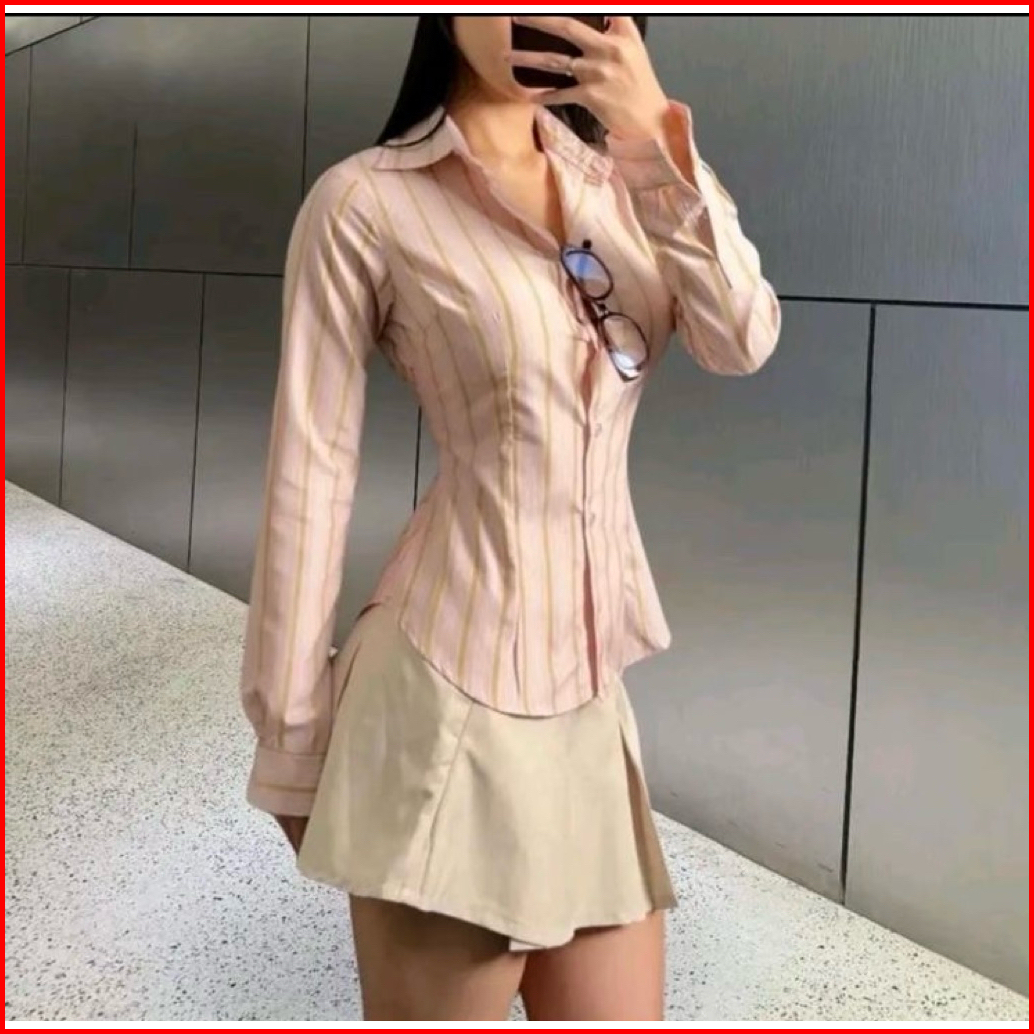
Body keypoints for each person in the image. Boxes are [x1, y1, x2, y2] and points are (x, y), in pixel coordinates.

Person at [239, 13, 780, 1022]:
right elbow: (310, 469)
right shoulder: (364, 202)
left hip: (591, 702)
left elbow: (739, 335)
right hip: (439, 698)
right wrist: (291, 739)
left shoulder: (623, 183)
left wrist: (650, 138)